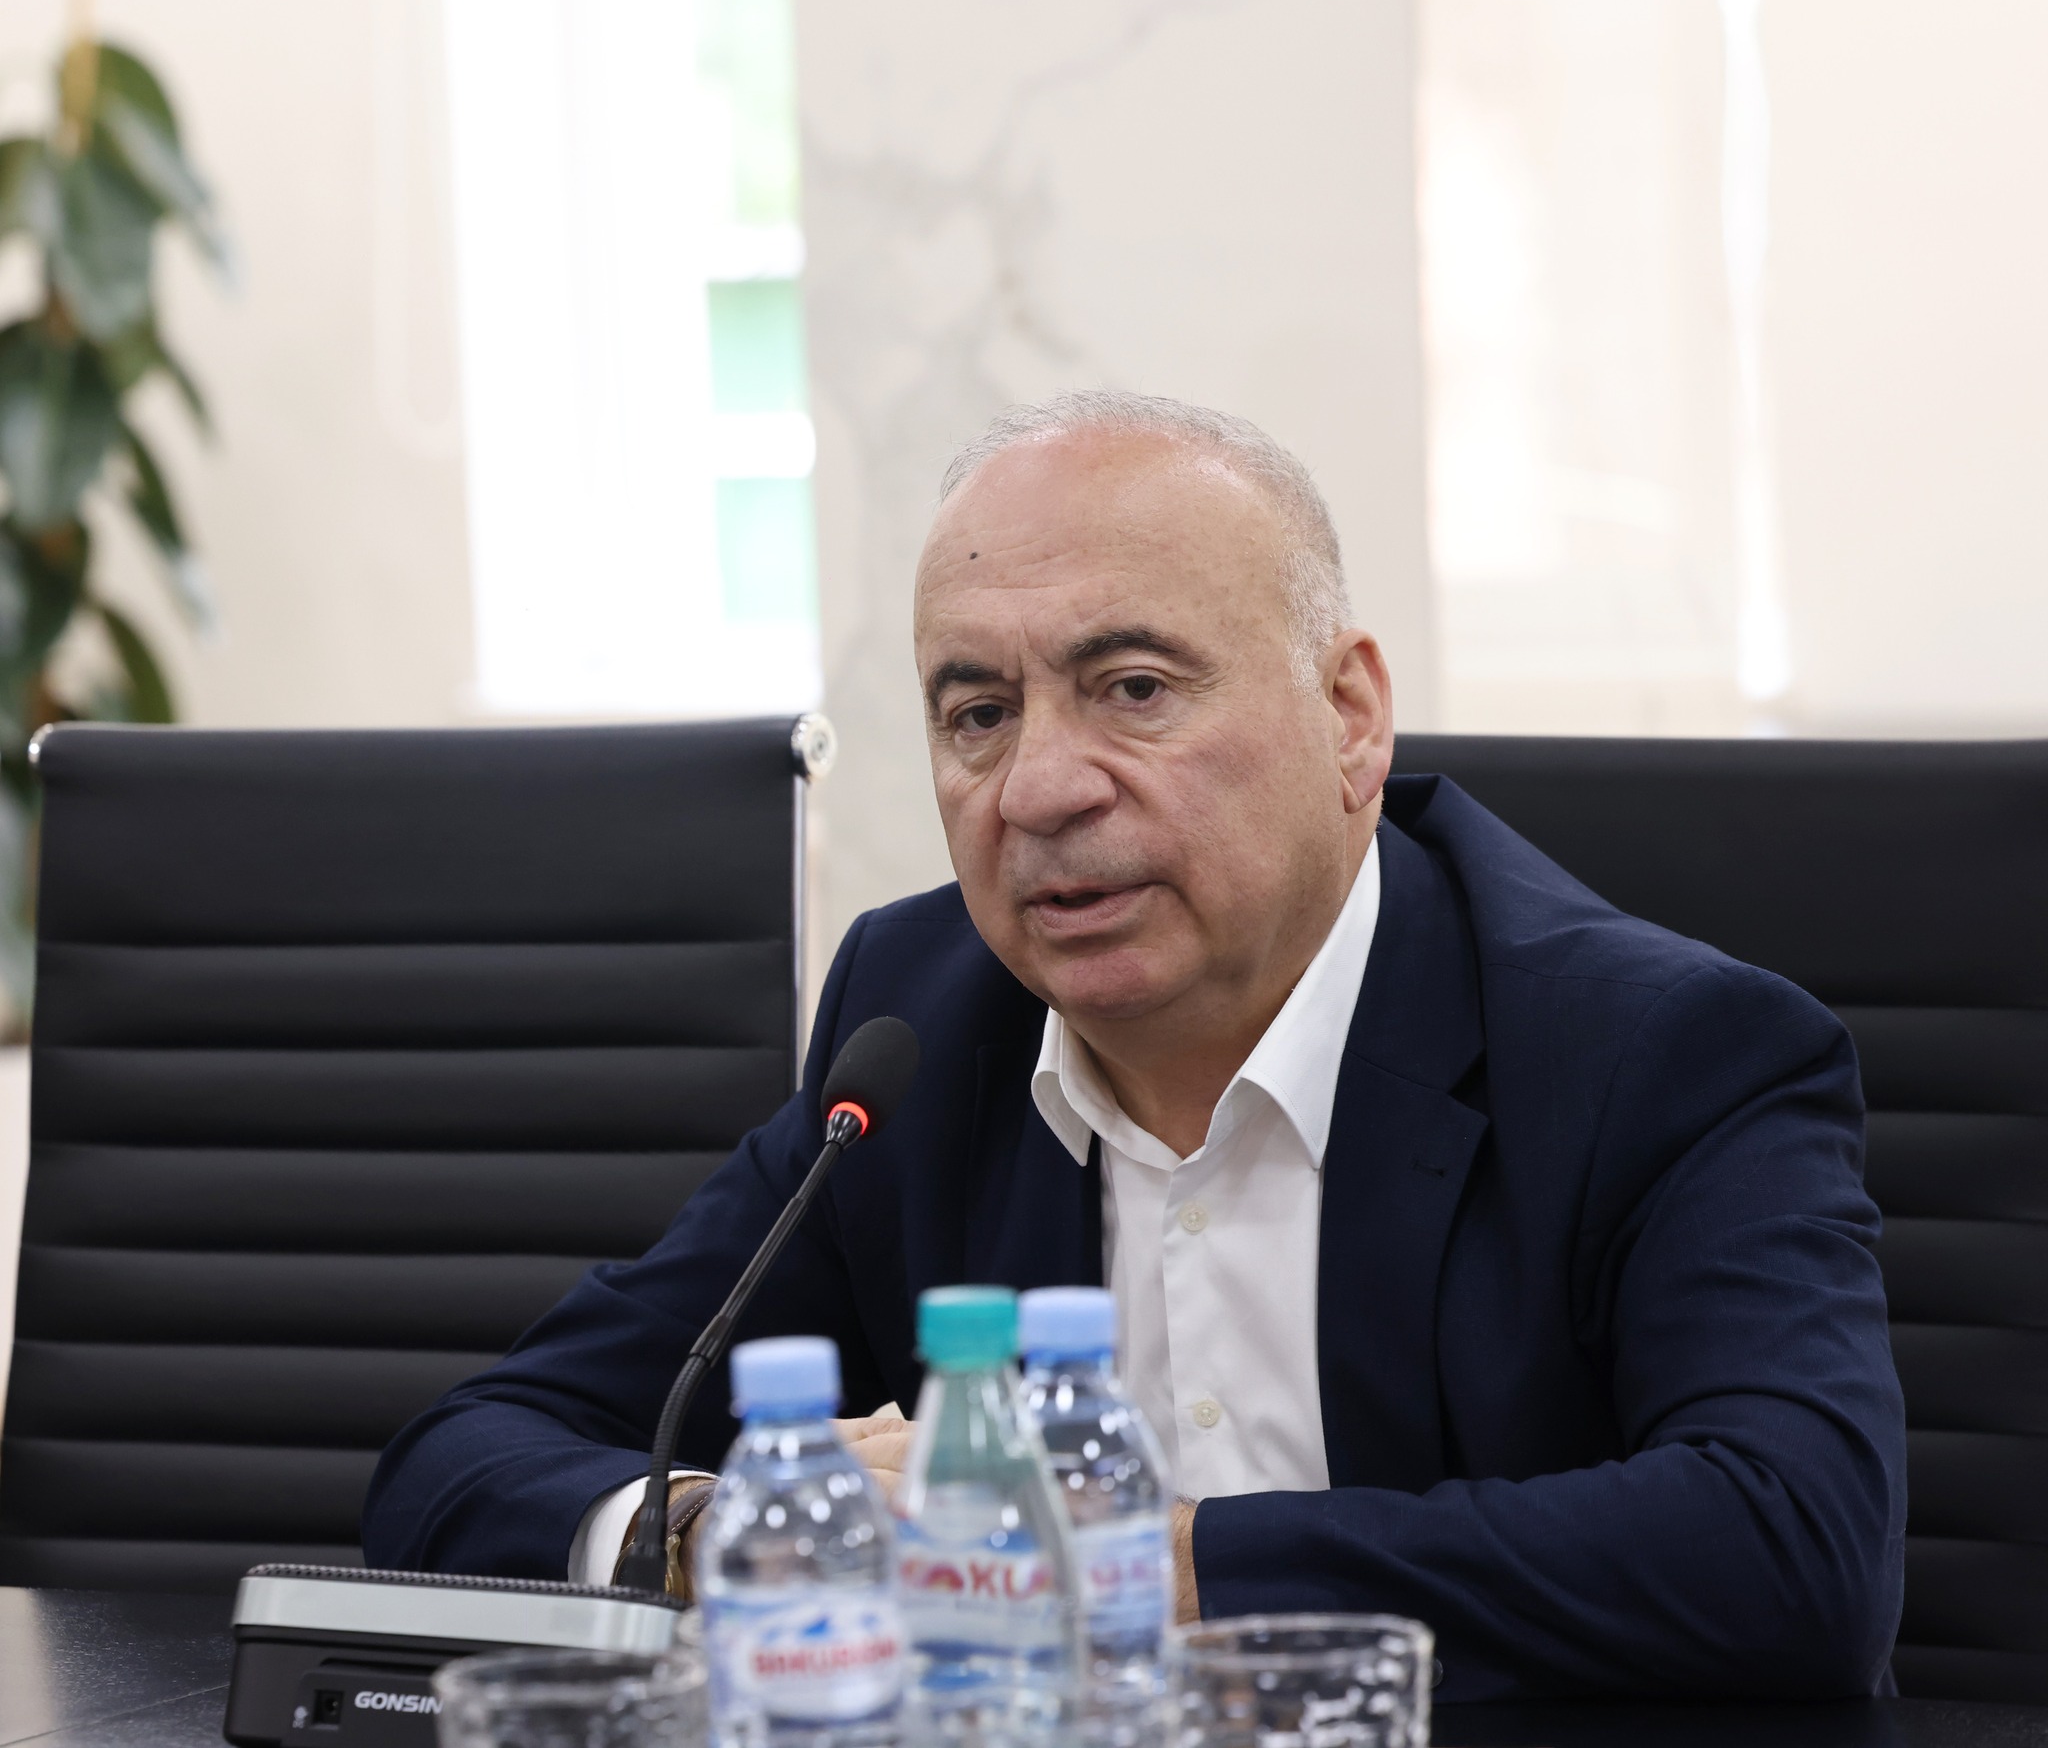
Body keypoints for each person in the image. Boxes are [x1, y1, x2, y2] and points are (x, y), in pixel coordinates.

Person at [362, 392, 1905, 1701]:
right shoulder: (920, 1029)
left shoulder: (1659, 1051)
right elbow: (466, 1459)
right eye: (978, 713)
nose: (1041, 789)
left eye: (1135, 689)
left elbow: (1794, 1549)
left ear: (1349, 715)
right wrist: (724, 1532)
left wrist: (1132, 1570)